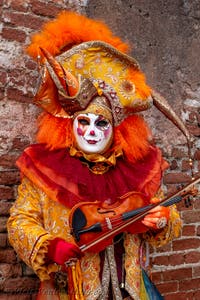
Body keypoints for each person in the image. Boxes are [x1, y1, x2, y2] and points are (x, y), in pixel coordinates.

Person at [7, 10, 187, 300]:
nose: (92, 131)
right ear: (69, 126)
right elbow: (19, 222)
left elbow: (166, 213)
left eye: (101, 123)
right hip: (71, 290)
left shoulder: (140, 168)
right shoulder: (46, 168)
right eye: (84, 122)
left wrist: (163, 218)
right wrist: (50, 246)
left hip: (131, 290)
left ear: (117, 129)